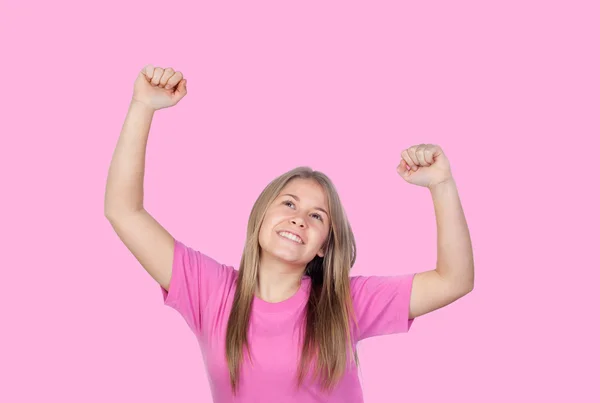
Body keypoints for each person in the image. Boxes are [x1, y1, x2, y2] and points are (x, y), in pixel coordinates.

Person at [104, 64, 475, 403]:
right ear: (260, 216)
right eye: (289, 204)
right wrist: (142, 105)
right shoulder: (209, 290)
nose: (299, 219)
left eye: (317, 216)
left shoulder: (343, 302)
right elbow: (124, 211)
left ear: (323, 248)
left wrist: (441, 185)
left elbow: (453, 281)